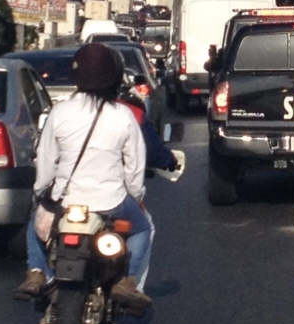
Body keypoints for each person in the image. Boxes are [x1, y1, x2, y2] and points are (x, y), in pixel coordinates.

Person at [14, 55, 179, 302]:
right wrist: (136, 196)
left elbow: (46, 160)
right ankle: (127, 281)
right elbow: (135, 165)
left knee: (36, 216)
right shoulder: (123, 115)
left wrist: (42, 193)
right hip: (111, 202)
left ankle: (36, 273)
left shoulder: (60, 112)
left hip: (64, 203)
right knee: (143, 228)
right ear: (114, 77)